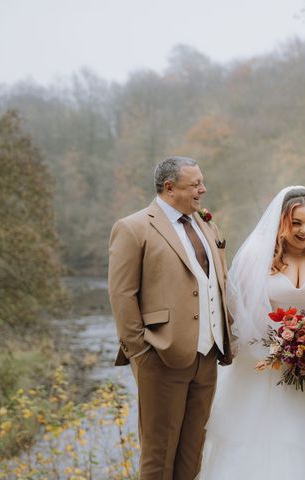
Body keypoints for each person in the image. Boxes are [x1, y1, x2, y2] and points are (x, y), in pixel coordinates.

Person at [198, 186, 305, 479]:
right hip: (267, 366)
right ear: (281, 223)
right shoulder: (256, 255)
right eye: (296, 223)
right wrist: (280, 346)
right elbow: (247, 310)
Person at [108, 156, 234, 480]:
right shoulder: (133, 228)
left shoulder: (206, 225)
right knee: (158, 460)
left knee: (192, 458)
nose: (203, 190)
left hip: (207, 359)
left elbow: (217, 283)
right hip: (161, 359)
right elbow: (122, 296)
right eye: (195, 184)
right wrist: (141, 353)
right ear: (169, 188)